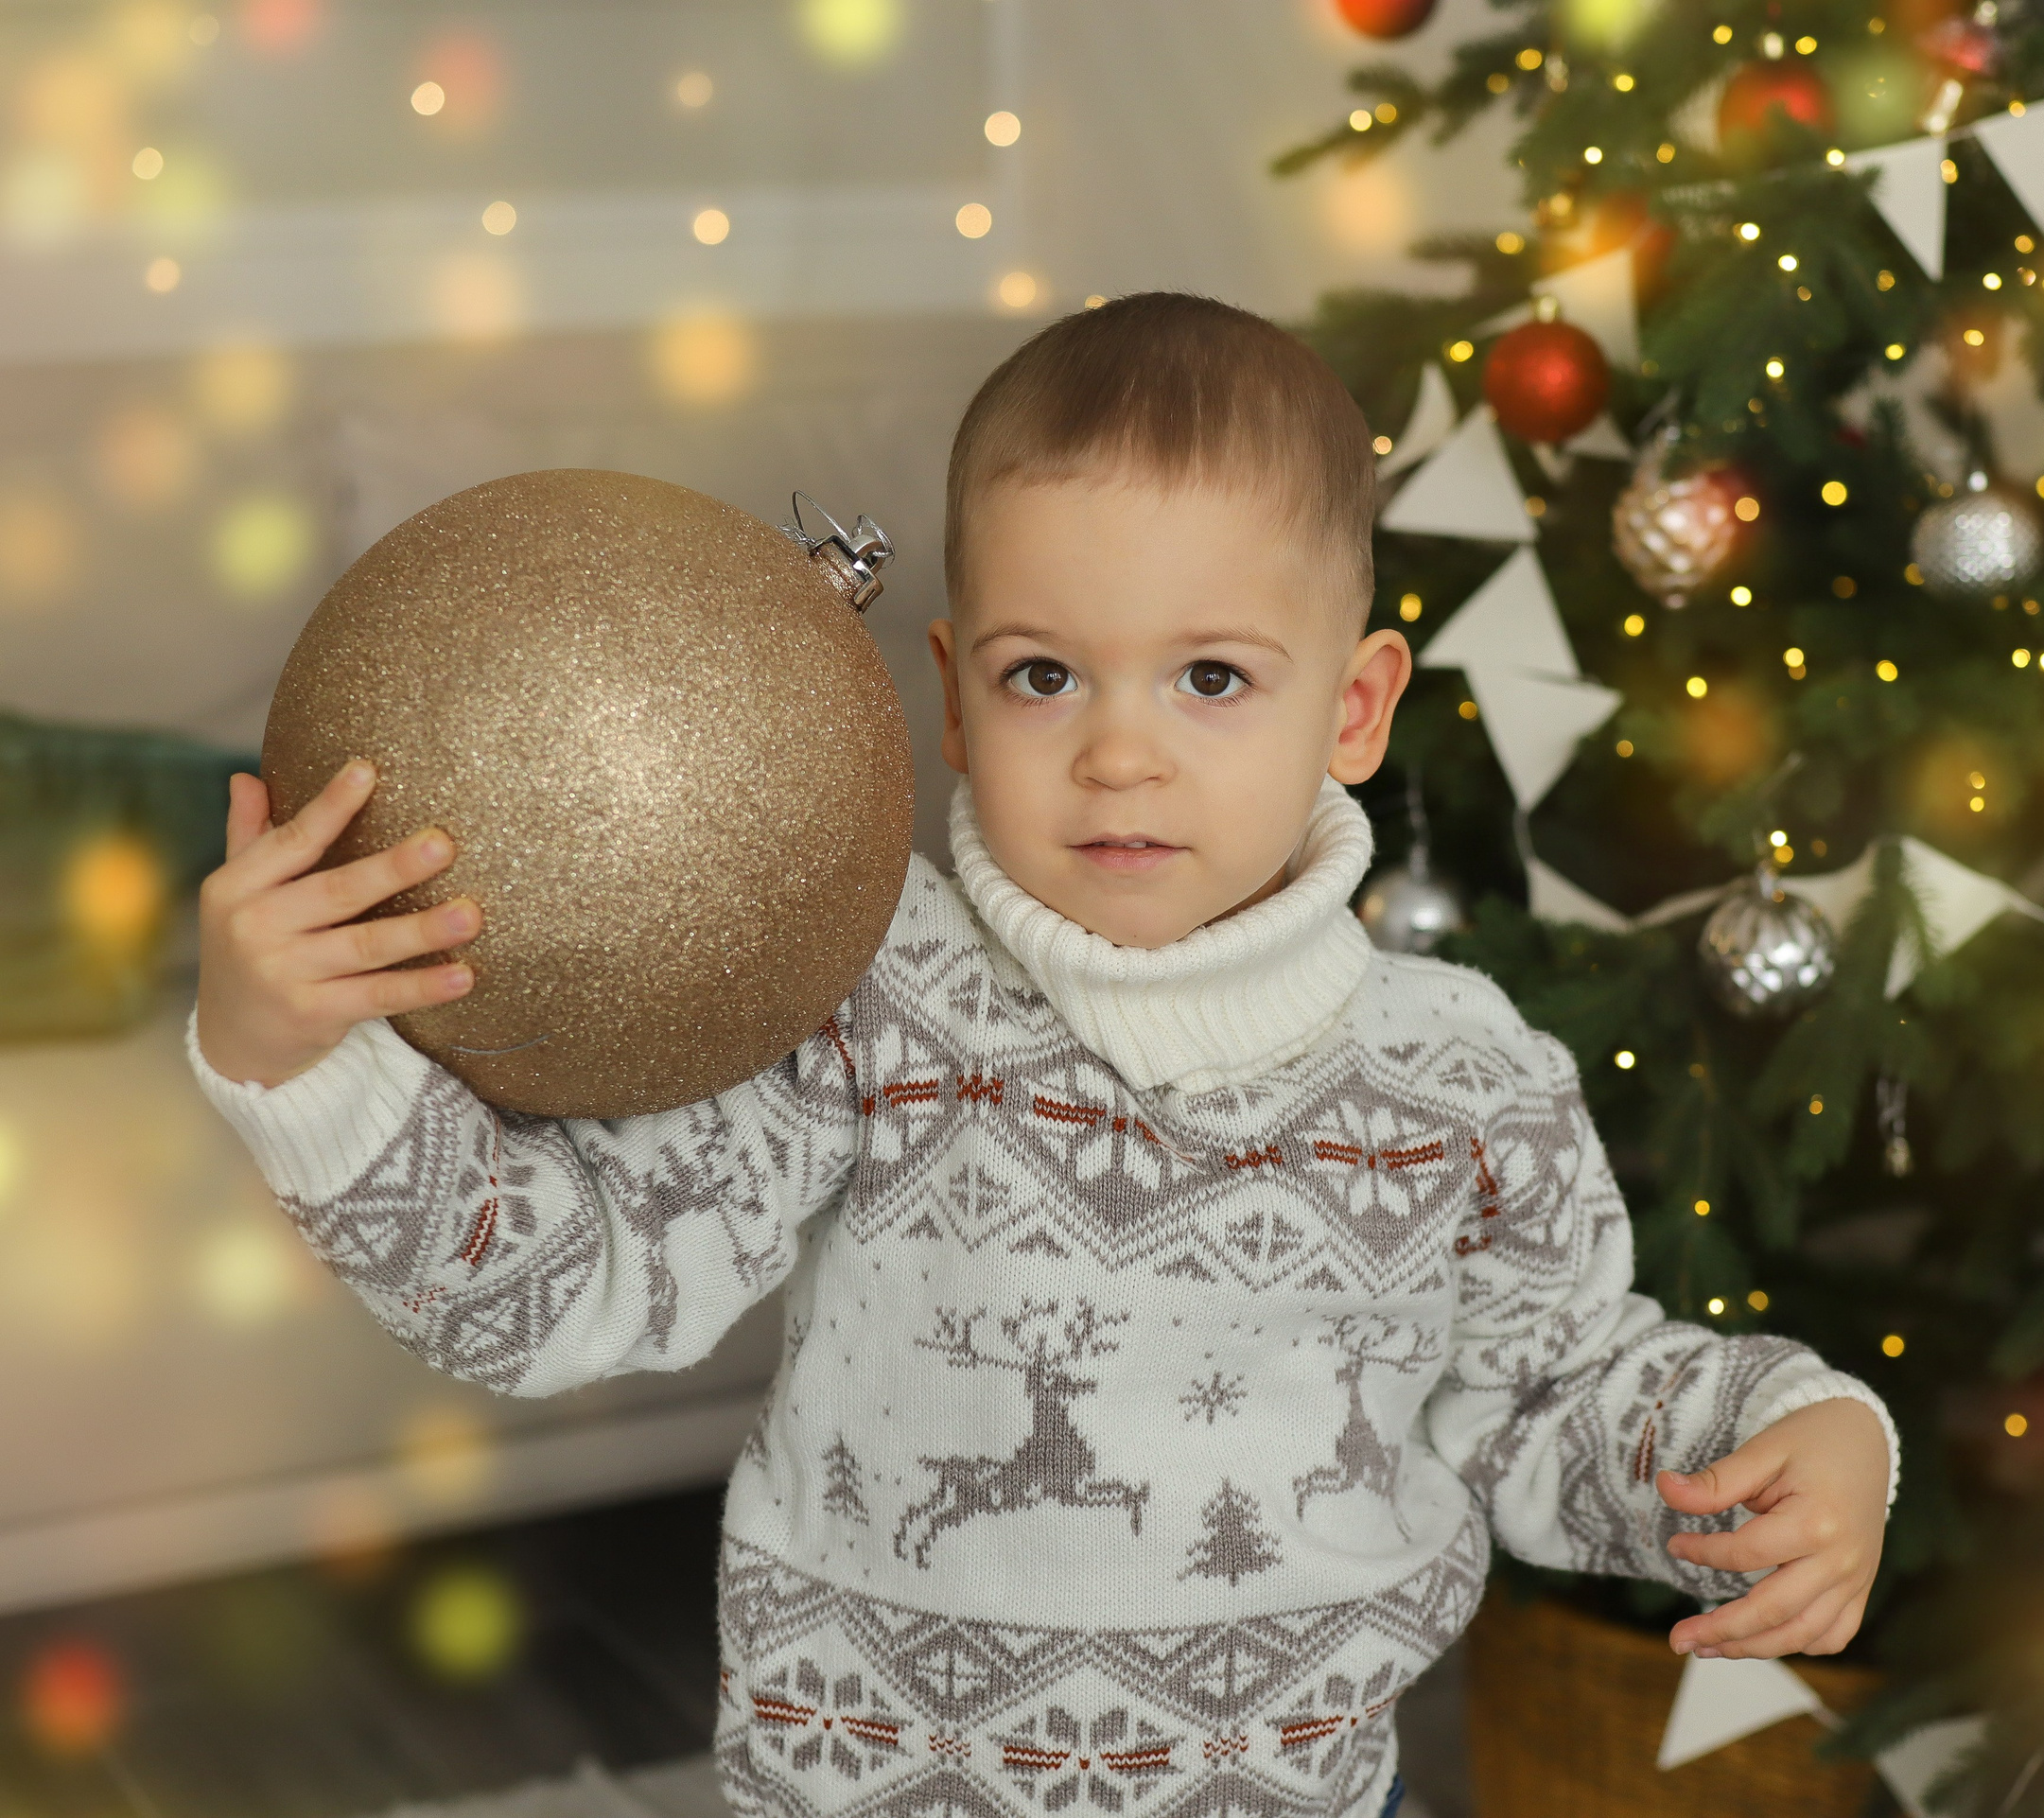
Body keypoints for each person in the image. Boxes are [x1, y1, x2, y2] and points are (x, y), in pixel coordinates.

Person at [190, 293, 1896, 1818]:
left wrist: (1798, 1435)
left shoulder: (1460, 1086)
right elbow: (570, 1285)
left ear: (1357, 713)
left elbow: (1553, 1393)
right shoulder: (862, 1001)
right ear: (948, 696)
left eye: (1213, 675)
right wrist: (303, 1064)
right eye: (1044, 675)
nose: (1120, 754)